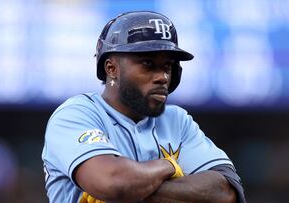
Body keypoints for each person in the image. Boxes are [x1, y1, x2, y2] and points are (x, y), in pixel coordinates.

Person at [42, 11, 246, 203]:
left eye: (167, 66)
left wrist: (135, 189)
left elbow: (226, 191)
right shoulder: (76, 114)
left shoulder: (177, 120)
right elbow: (113, 182)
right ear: (111, 68)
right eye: (148, 64)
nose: (162, 77)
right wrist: (169, 166)